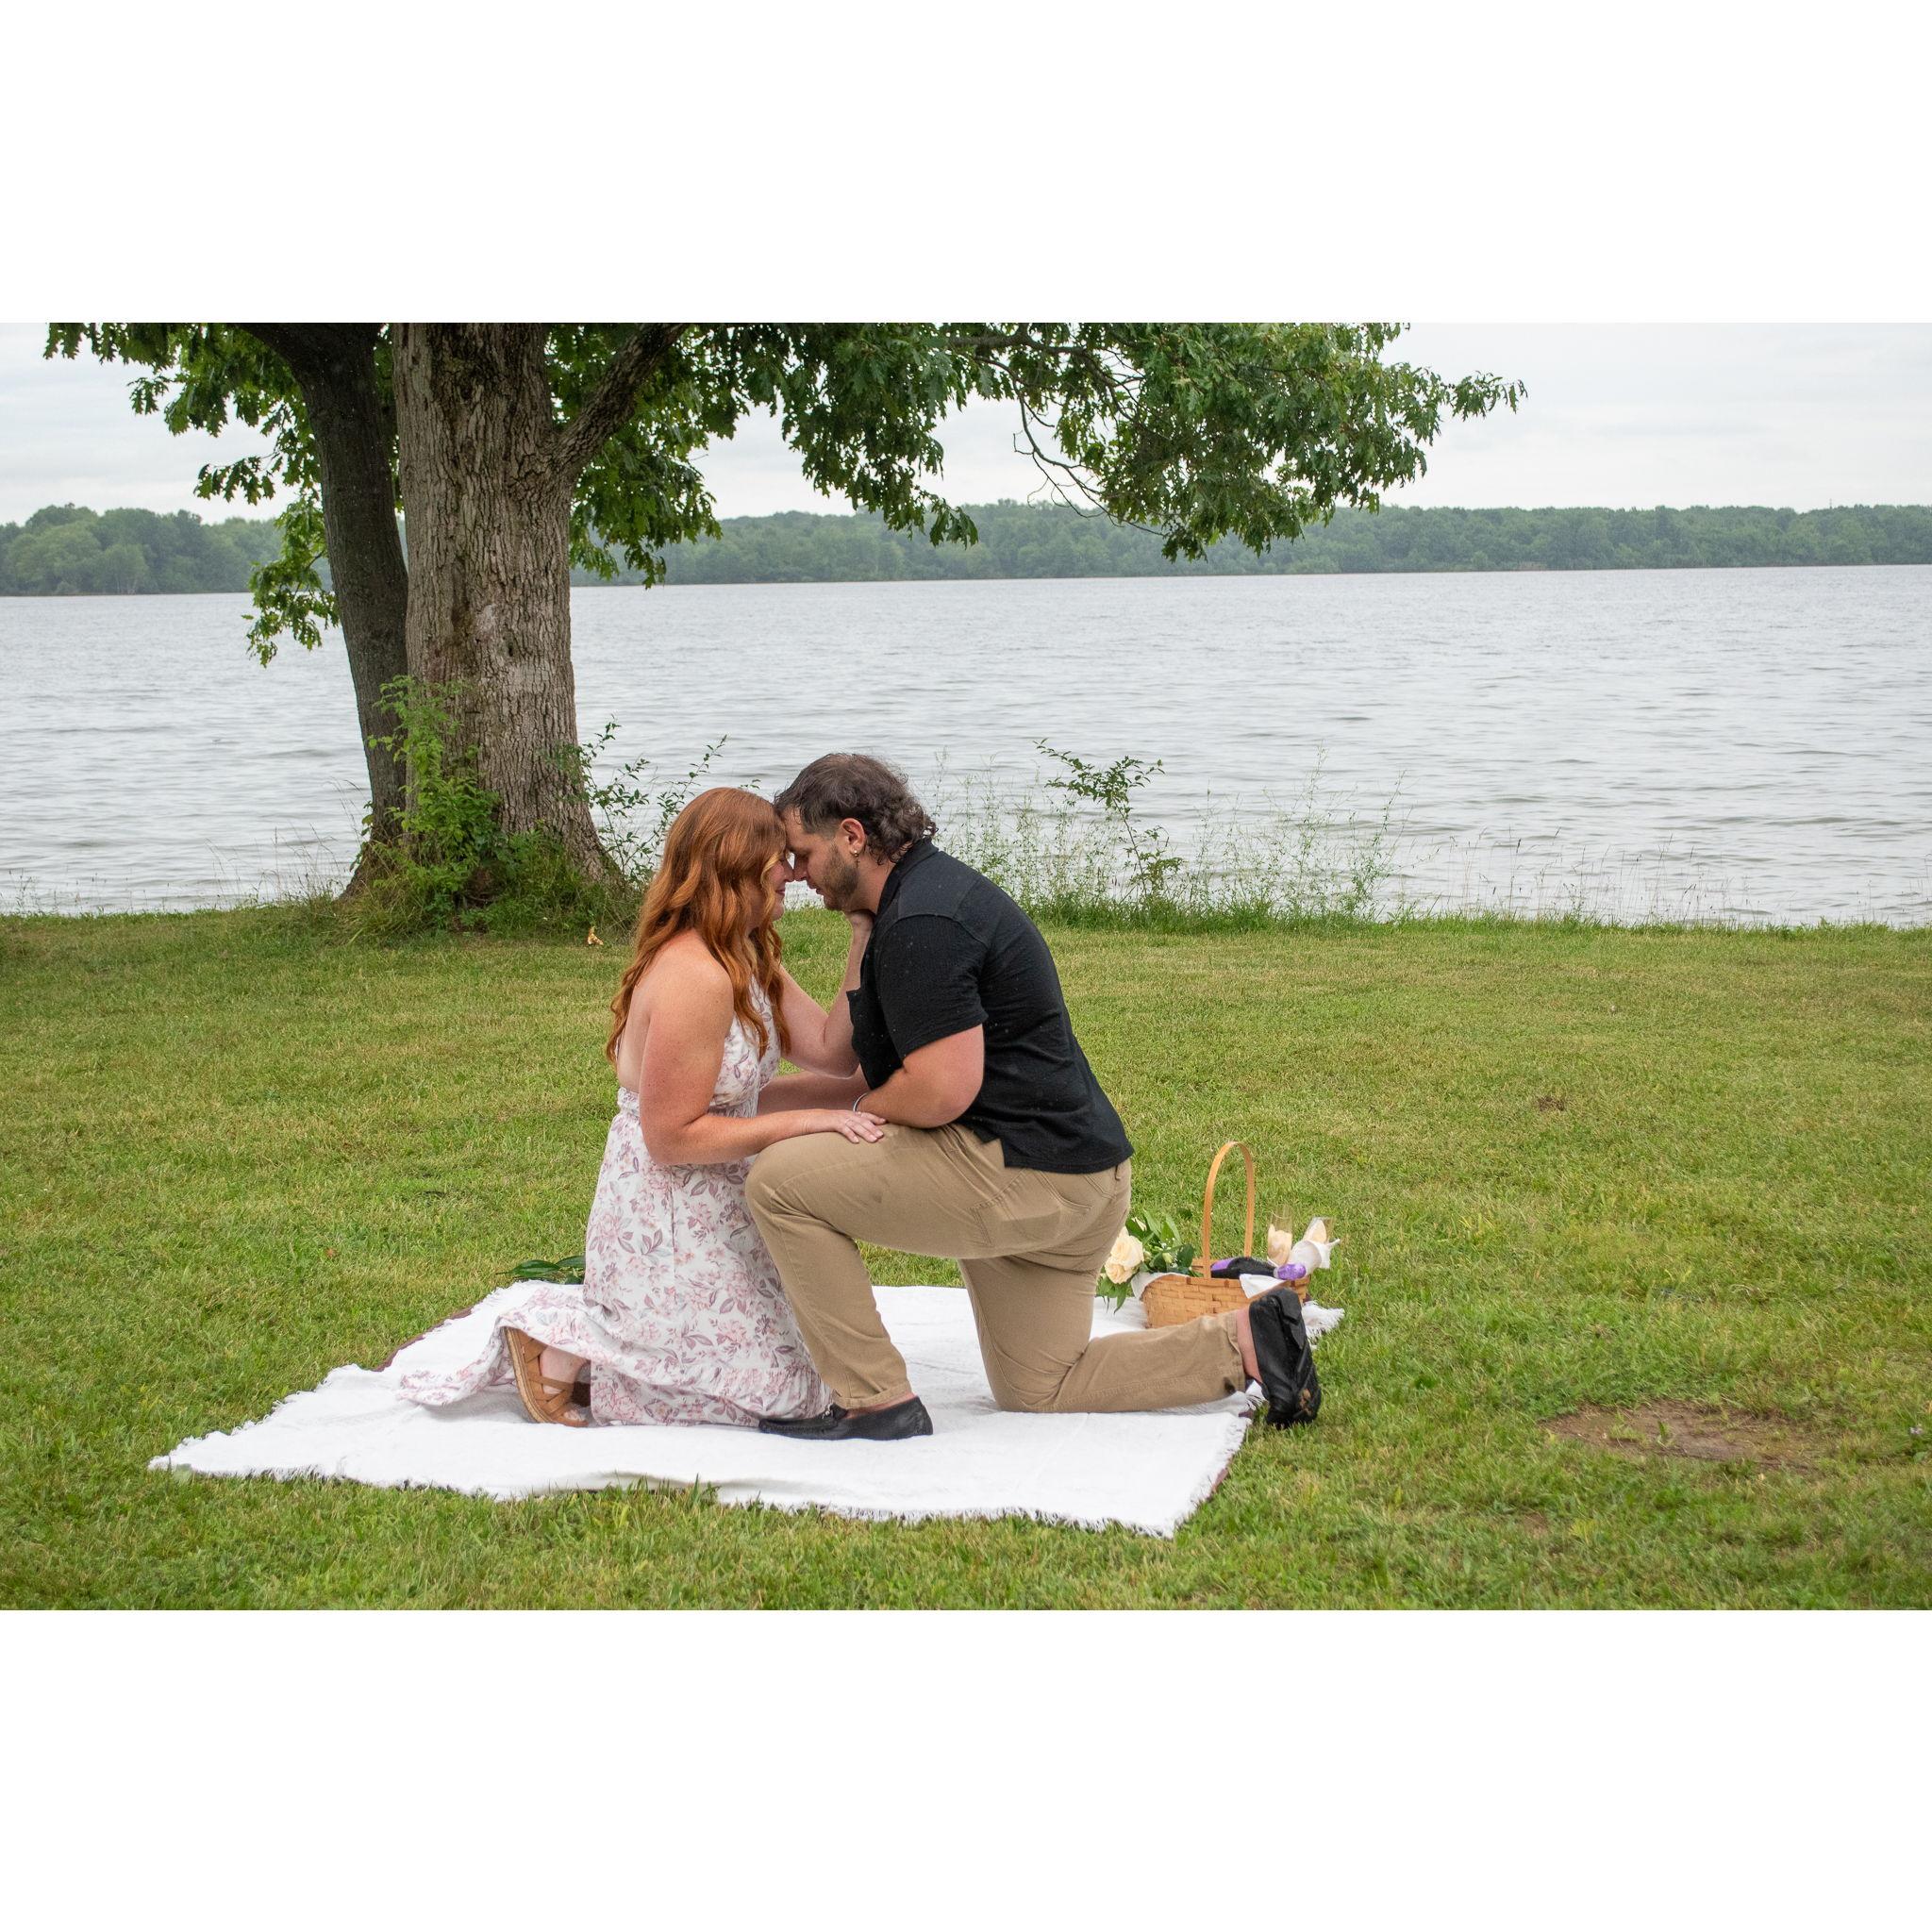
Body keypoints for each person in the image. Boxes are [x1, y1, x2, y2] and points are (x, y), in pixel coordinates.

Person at [748, 754, 1319, 1441]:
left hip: (1026, 1177)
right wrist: (759, 1098)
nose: (796, 873)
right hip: (1083, 1180)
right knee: (1040, 1385)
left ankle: (875, 1401)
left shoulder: (924, 921)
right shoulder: (912, 901)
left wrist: (845, 1118)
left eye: (802, 853)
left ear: (851, 836)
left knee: (781, 1184)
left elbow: (939, 1090)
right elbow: (851, 1058)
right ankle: (1251, 1341)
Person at [399, 788, 886, 1429]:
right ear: (738, 866)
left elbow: (832, 1052)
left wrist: (862, 934)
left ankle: (606, 1348)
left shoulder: (746, 952)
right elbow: (670, 1139)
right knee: (781, 1398)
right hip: (668, 1206)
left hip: (726, 1191)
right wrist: (803, 1122)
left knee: (807, 1384)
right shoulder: (696, 975)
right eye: (780, 861)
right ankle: (555, 1340)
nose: (793, 874)